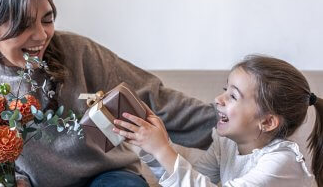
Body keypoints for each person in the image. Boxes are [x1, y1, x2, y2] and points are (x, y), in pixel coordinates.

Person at [0, 0, 218, 186]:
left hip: (108, 176)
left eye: (47, 19)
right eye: (23, 25)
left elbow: (153, 98)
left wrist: (233, 126)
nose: (42, 36)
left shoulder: (78, 52)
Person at [113, 55, 322, 187]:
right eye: (225, 90)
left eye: (233, 96)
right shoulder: (227, 145)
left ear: (267, 122)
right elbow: (188, 181)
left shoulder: (281, 162)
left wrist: (162, 151)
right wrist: (152, 148)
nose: (217, 100)